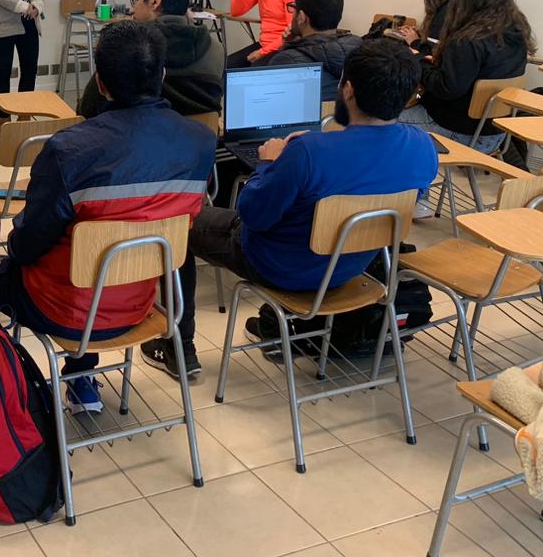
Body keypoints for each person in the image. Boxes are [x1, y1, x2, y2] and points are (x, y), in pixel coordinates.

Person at [0, 21, 215, 407]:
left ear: (101, 83)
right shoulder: (199, 143)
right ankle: (81, 380)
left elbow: (26, 247)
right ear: (161, 75)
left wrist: (12, 243)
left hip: (62, 309)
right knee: (86, 255)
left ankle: (11, 373)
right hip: (141, 304)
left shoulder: (70, 150)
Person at [139, 39, 438, 380]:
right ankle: (282, 330)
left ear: (349, 90)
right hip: (349, 268)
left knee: (182, 222)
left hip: (280, 267)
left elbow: (253, 215)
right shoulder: (422, 149)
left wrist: (267, 164)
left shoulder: (309, 152)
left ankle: (178, 346)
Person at [399, 0, 534, 174]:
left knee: (379, 118)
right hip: (497, 133)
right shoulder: (516, 34)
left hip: (463, 132)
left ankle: (405, 194)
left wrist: (420, 61)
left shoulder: (467, 40)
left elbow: (446, 89)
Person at [76, 0, 223, 118]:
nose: (132, 9)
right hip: (200, 139)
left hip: (133, 138)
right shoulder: (215, 50)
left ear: (155, 0)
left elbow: (87, 110)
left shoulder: (128, 46)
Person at [261, 0, 362, 102]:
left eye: (294, 8)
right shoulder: (360, 51)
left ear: (302, 17)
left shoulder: (286, 61)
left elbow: (271, 107)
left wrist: (285, 48)